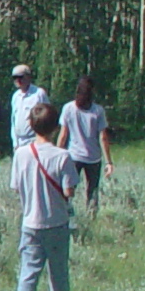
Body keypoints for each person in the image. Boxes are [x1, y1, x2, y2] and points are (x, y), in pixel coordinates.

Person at [11, 101, 75, 291]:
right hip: (57, 222)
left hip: (30, 222)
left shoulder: (21, 154)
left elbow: (16, 187)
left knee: (28, 274)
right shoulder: (62, 156)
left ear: (31, 125)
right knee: (59, 275)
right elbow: (69, 191)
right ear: (56, 127)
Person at [59, 76, 112, 210]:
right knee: (93, 191)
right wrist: (109, 162)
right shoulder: (98, 111)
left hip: (74, 156)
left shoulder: (68, 108)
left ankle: (66, 214)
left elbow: (63, 135)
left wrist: (57, 154)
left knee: (68, 188)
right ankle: (91, 216)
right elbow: (103, 137)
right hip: (93, 158)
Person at [8, 62, 50, 149]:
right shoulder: (15, 96)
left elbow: (47, 117)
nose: (18, 80)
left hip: (35, 140)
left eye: (20, 77)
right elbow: (13, 121)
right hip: (19, 142)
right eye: (15, 78)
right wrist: (15, 143)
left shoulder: (39, 93)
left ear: (28, 77)